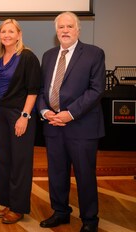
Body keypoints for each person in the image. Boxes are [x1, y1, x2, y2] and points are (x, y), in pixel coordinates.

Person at [37, 11, 105, 232]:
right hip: (53, 125)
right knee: (56, 173)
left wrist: (70, 113)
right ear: (56, 32)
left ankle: (89, 220)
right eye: (61, 27)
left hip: (81, 126)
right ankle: (60, 212)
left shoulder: (94, 54)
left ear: (78, 29)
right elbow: (40, 91)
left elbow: (96, 90)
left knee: (85, 175)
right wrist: (45, 111)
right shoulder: (48, 55)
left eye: (69, 27)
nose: (65, 31)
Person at [0, 19, 41, 224]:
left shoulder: (28, 57)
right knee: (4, 160)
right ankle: (8, 203)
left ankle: (19, 207)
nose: (7, 35)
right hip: (1, 115)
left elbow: (33, 90)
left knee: (20, 161)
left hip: (20, 114)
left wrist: (25, 116)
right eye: (3, 31)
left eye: (11, 31)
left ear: (19, 34)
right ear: (0, 35)